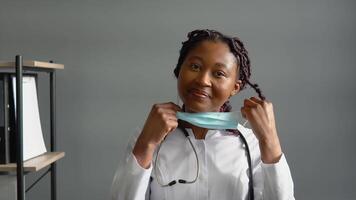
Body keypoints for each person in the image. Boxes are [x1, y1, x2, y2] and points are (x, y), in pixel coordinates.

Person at [111, 29, 295, 200]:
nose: (203, 80)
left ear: (235, 88)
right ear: (179, 70)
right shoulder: (148, 136)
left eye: (219, 73)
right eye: (195, 67)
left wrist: (269, 140)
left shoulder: (252, 143)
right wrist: (146, 144)